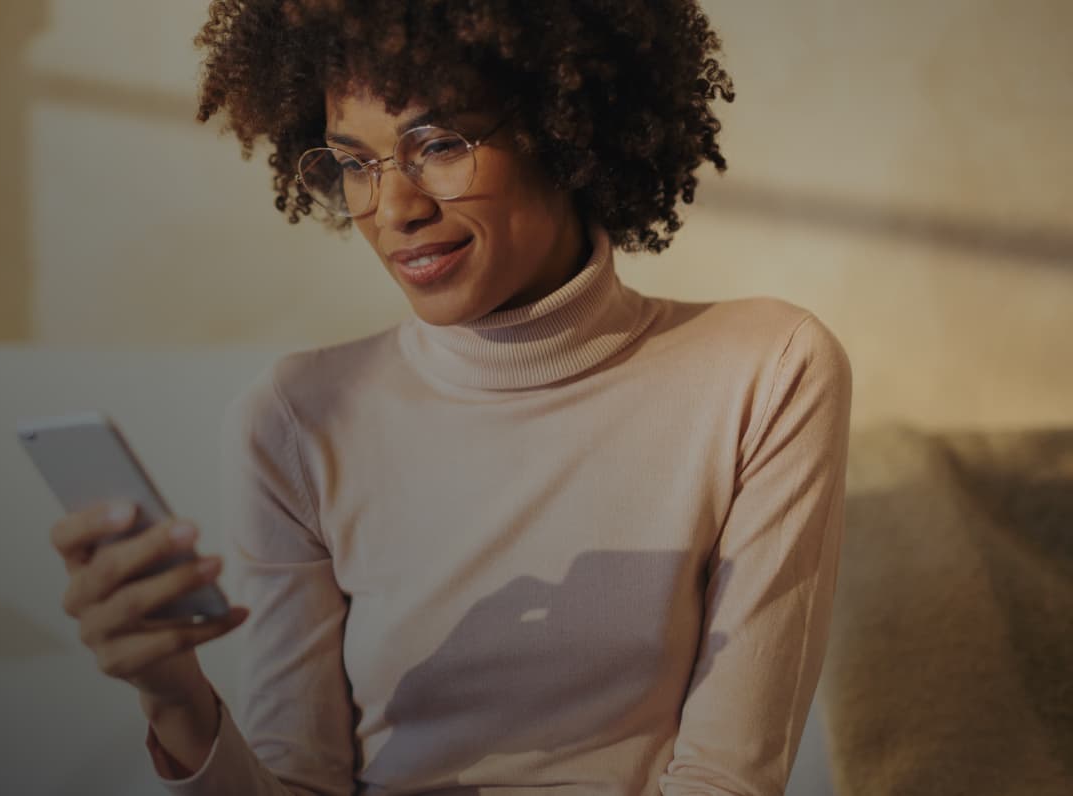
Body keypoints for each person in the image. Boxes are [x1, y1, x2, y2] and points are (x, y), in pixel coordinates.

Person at [50, 1, 854, 793]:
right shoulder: (295, 420)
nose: (394, 209)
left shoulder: (765, 370)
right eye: (355, 162)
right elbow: (300, 780)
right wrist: (176, 699)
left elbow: (725, 780)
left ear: (566, 127)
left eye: (437, 144)